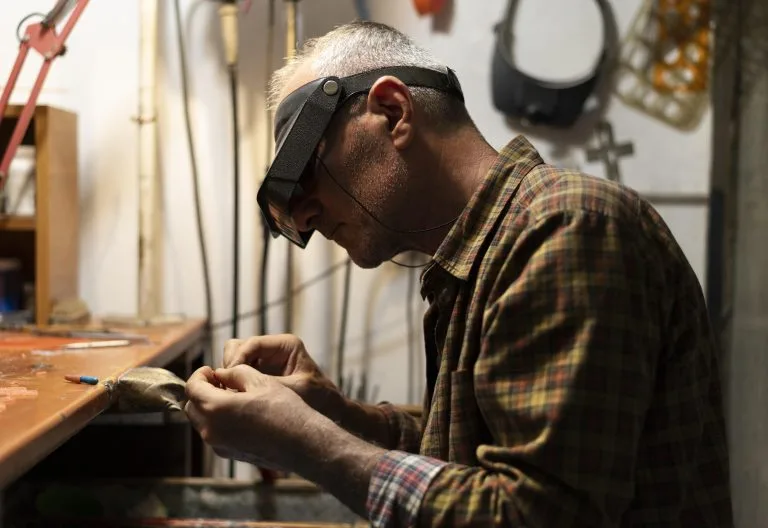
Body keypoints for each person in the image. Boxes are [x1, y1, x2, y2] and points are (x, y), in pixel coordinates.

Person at [184, 21, 733, 527]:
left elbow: (536, 513)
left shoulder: (565, 229)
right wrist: (337, 415)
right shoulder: (485, 260)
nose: (304, 215)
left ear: (393, 113)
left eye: (306, 168)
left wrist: (307, 443)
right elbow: (469, 459)